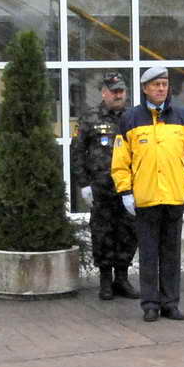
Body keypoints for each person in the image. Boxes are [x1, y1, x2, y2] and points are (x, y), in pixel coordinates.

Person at [111, 65, 184, 322]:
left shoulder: (182, 117)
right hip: (145, 197)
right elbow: (120, 161)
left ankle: (170, 303)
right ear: (145, 88)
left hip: (174, 196)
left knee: (171, 254)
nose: (161, 89)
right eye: (156, 85)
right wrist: (125, 191)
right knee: (149, 254)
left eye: (164, 84)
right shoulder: (130, 118)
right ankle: (150, 304)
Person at [70, 71, 138, 301]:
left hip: (129, 189)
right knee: (102, 234)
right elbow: (77, 152)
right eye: (114, 91)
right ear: (104, 93)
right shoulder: (90, 118)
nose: (118, 95)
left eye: (121, 91)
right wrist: (83, 184)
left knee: (128, 233)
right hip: (101, 189)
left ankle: (122, 278)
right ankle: (106, 280)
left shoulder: (134, 117)